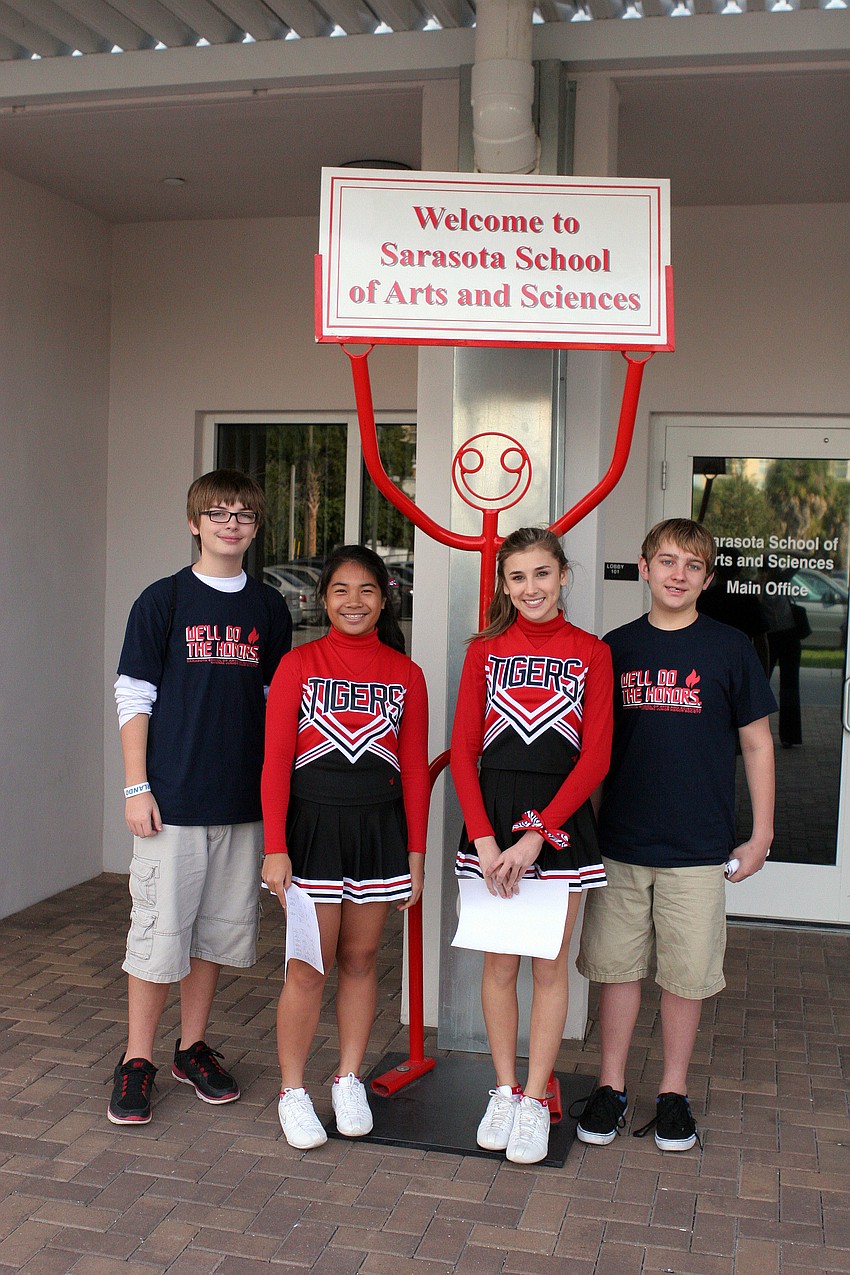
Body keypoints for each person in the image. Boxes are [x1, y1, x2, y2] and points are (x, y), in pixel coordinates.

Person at [576, 518, 776, 1152]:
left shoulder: (729, 648)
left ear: (707, 579)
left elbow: (756, 740)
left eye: (692, 566)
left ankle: (672, 1093)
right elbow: (593, 750)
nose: (678, 575)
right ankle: (610, 1088)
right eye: (667, 562)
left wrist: (762, 831)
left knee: (685, 976)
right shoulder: (616, 648)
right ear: (644, 568)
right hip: (622, 843)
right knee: (617, 971)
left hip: (698, 848)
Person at [108, 469, 293, 1125]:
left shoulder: (269, 607)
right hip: (173, 802)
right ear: (195, 523)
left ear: (255, 525)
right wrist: (137, 785)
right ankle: (137, 1058)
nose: (231, 522)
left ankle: (191, 1047)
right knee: (159, 936)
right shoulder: (163, 600)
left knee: (213, 937)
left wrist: (276, 809)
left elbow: (276, 706)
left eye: (244, 513)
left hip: (241, 806)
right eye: (218, 512)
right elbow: (135, 693)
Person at [450, 527, 613, 1165]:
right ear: (504, 585)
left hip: (560, 826)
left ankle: (535, 1097)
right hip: (489, 828)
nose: (530, 589)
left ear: (563, 575)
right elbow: (464, 751)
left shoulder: (590, 653)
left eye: (541, 574)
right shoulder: (484, 651)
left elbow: (595, 756)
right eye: (517, 577)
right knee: (499, 965)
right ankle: (502, 1087)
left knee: (549, 966)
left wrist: (537, 834)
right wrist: (488, 840)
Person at [261, 545, 430, 1150]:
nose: (353, 602)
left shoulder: (406, 674)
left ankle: (348, 1078)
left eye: (366, 591)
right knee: (309, 966)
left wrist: (416, 855)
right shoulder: (298, 664)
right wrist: (275, 847)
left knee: (361, 961)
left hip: (378, 833)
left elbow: (413, 769)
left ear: (384, 599)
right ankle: (292, 1090)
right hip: (311, 834)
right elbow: (276, 762)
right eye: (340, 590)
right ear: (324, 598)